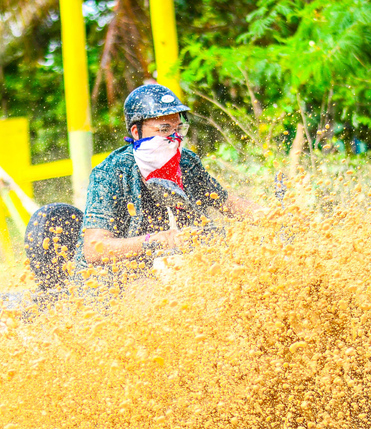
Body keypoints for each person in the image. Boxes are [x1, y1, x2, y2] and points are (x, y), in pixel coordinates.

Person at [24, 84, 261, 290]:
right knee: (157, 296)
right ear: (136, 131)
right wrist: (162, 240)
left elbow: (226, 202)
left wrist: (273, 218)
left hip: (168, 270)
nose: (174, 138)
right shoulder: (112, 172)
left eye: (178, 129)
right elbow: (95, 249)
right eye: (164, 129)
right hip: (110, 281)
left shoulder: (186, 162)